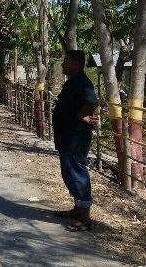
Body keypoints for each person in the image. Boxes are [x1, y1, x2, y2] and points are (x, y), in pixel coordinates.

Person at [51, 50, 98, 232]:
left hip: (75, 139)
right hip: (66, 137)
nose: (63, 65)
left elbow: (92, 102)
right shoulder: (73, 82)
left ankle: (85, 219)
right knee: (69, 173)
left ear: (77, 64)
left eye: (67, 62)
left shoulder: (82, 83)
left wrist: (83, 115)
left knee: (77, 174)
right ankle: (77, 210)